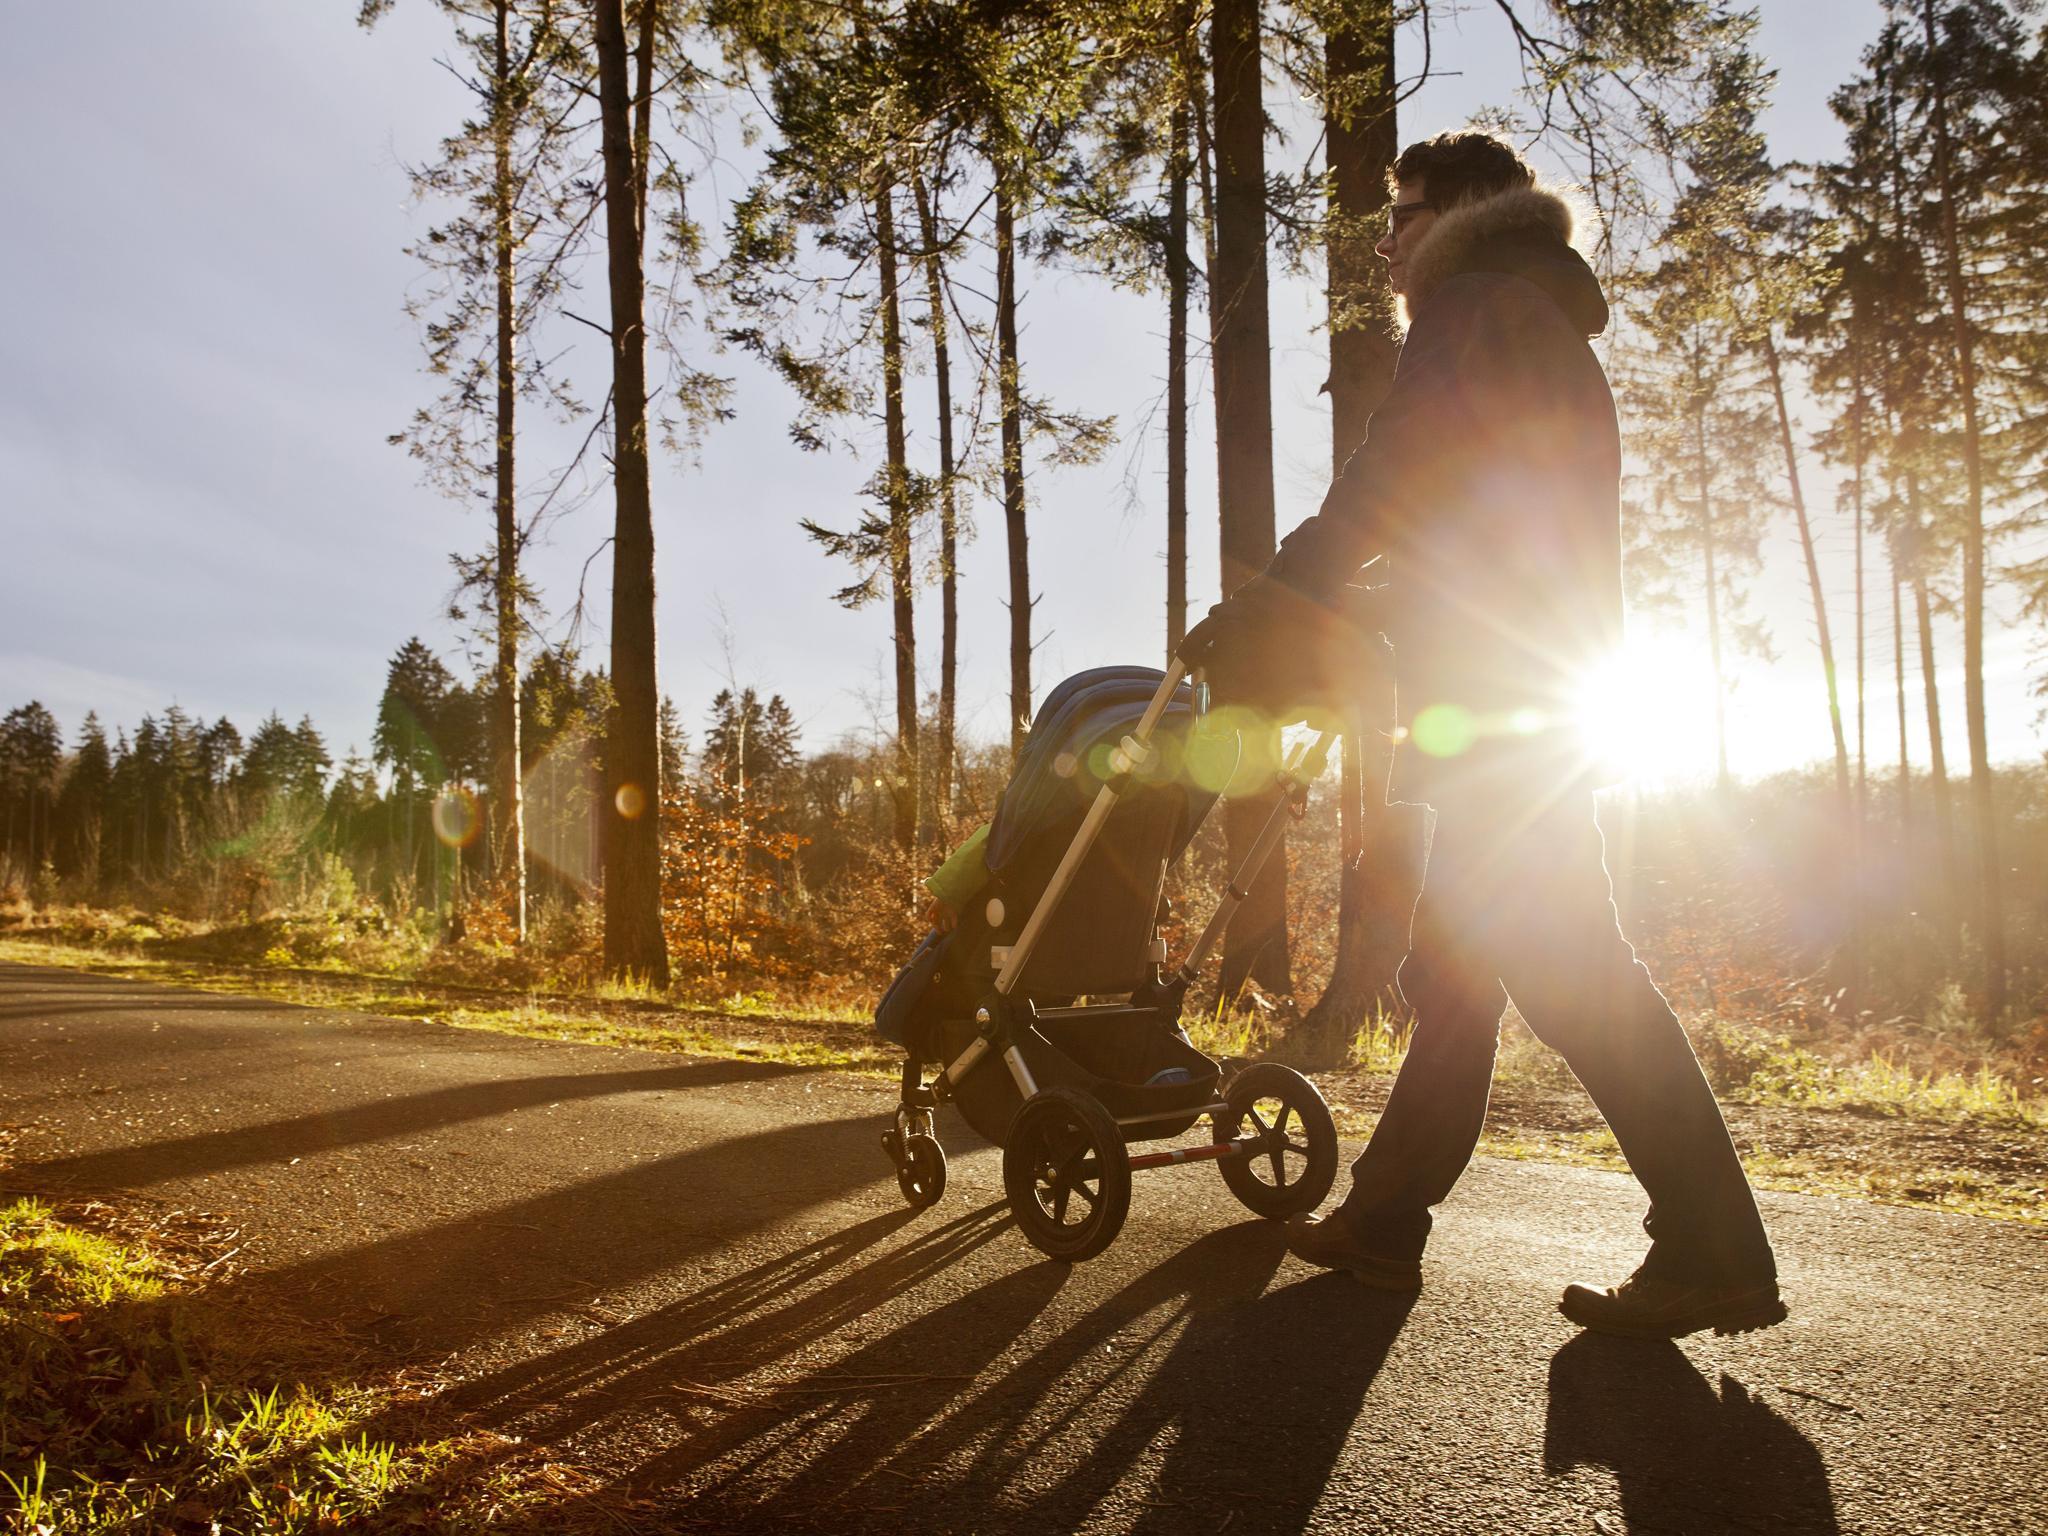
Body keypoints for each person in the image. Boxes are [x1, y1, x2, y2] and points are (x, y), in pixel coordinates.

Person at [1181, 131, 1783, 1339]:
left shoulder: (1470, 305)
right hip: (1537, 694)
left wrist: (1277, 599)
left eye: (1400, 212)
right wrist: (1343, 610)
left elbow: (1387, 479)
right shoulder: (1535, 322)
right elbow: (1483, 536)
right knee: (1456, 975)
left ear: (1456, 209)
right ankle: (1385, 1223)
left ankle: (1713, 1247)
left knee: (1569, 976)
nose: (1387, 239)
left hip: (1510, 709)